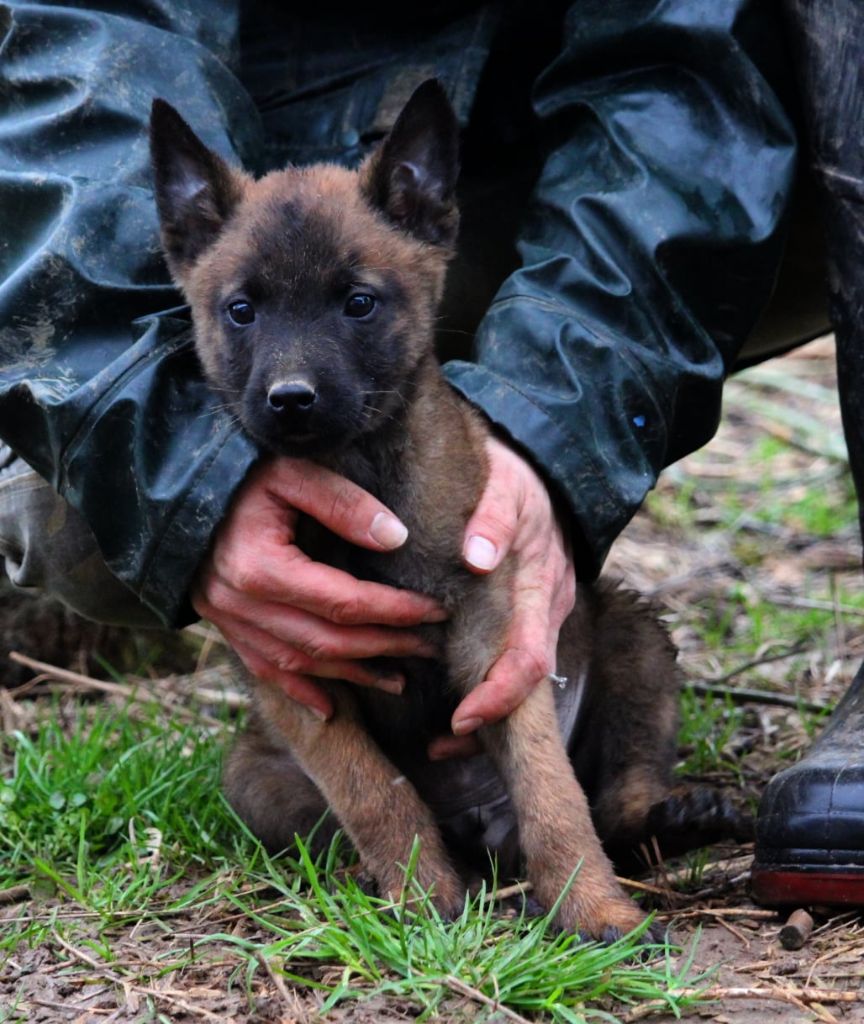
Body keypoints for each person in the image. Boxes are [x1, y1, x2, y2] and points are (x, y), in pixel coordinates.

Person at [0, 0, 860, 905]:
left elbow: (688, 67)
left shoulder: (407, 238)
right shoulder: (210, 236)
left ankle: (634, 801)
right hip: (272, 138)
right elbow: (71, 43)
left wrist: (550, 435)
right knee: (100, 555)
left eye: (352, 307)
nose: (290, 377)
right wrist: (180, 478)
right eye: (248, 315)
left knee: (624, 640)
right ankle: (416, 857)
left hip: (579, 167)